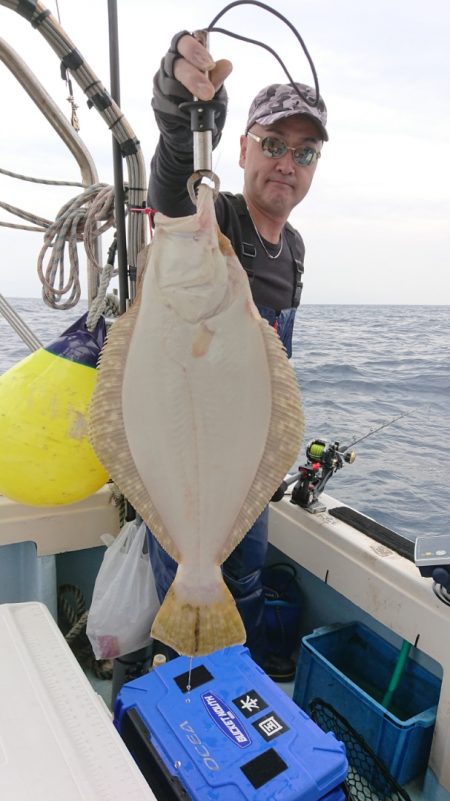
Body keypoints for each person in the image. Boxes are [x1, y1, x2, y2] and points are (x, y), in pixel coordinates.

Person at [146, 31, 328, 681]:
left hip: (247, 474)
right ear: (244, 146)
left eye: (304, 152)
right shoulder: (210, 218)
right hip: (187, 466)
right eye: (274, 144)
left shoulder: (295, 248)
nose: (287, 162)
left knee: (244, 586)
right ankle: (178, 718)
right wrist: (181, 111)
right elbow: (171, 187)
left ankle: (230, 705)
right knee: (185, 594)